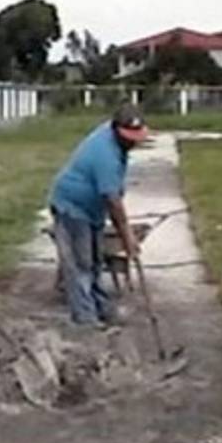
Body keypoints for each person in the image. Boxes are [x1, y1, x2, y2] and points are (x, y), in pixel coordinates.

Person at [48, 103, 149, 327]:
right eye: (128, 137)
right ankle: (85, 319)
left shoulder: (113, 138)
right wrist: (127, 238)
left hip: (91, 209)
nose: (133, 142)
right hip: (72, 207)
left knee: (94, 262)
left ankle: (101, 308)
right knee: (81, 265)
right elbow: (114, 203)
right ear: (116, 130)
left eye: (136, 137)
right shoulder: (106, 156)